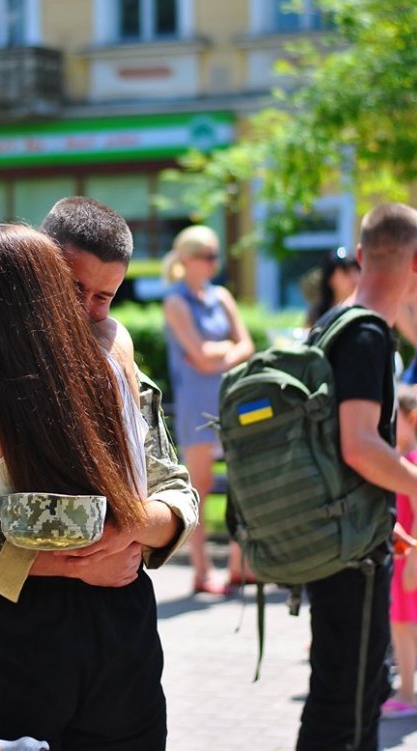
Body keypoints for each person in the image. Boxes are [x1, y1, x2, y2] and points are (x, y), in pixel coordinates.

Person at [0, 197, 198, 751]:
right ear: (35, 271)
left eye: (104, 297)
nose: (85, 310)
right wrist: (70, 563)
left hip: (116, 630)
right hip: (0, 625)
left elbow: (174, 486)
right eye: (70, 288)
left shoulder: (118, 364)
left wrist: (131, 530)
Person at [296, 202, 417, 751]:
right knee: (347, 709)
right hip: (351, 556)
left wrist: (381, 512)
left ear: (362, 254)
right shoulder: (367, 334)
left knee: (345, 696)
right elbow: (359, 445)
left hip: (339, 535)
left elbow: (331, 445)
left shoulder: (332, 324)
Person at [163, 224, 254, 595]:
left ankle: (238, 565)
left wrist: (218, 354)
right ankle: (201, 572)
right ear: (187, 259)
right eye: (207, 256)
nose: (214, 263)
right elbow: (200, 354)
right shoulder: (175, 301)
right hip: (197, 406)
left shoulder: (222, 296)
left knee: (242, 483)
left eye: (216, 256)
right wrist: (226, 351)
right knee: (198, 489)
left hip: (229, 401)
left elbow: (245, 345)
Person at [381, 383, 417, 718]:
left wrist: (413, 560)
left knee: (407, 624)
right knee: (401, 624)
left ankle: (408, 695)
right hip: (401, 556)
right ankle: (406, 691)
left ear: (410, 418)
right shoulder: (399, 459)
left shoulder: (416, 461)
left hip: (412, 557)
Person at [304, 247, 361, 327]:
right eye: (346, 272)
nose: (354, 278)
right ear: (330, 278)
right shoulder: (317, 313)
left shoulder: (364, 308)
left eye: (357, 271)